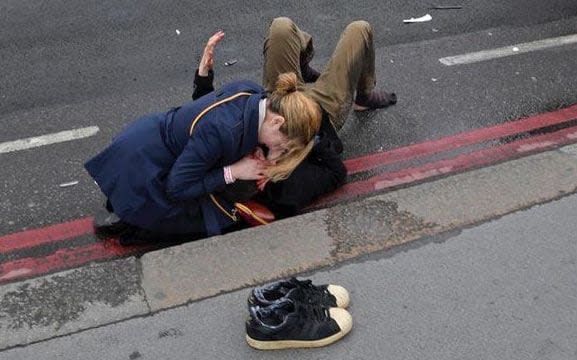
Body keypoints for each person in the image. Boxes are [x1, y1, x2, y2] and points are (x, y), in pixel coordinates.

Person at [85, 68, 321, 244]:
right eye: (284, 144)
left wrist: (258, 149)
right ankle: (132, 219)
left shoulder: (254, 93)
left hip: (150, 140)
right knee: (210, 222)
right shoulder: (222, 131)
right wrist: (233, 172)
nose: (280, 150)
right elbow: (176, 188)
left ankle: (124, 205)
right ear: (277, 121)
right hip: (146, 167)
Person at [193, 18, 397, 217]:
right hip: (321, 111)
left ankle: (301, 66)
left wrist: (203, 77)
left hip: (283, 95)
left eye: (253, 157)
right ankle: (365, 93)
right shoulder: (289, 190)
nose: (257, 154)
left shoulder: (238, 151)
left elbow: (210, 119)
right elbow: (337, 173)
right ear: (261, 180)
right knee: (360, 29)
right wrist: (311, 140)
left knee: (281, 27)